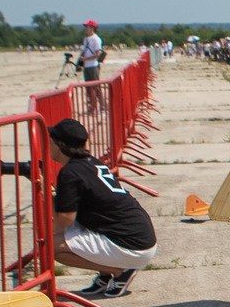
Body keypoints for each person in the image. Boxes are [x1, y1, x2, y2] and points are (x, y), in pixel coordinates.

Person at [45, 116, 155, 297]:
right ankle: (106, 274)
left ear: (59, 144)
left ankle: (118, 271)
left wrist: (46, 195)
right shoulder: (91, 163)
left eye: (50, 140)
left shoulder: (70, 173)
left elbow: (65, 220)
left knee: (53, 246)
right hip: (139, 236)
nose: (47, 144)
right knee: (69, 231)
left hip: (132, 246)